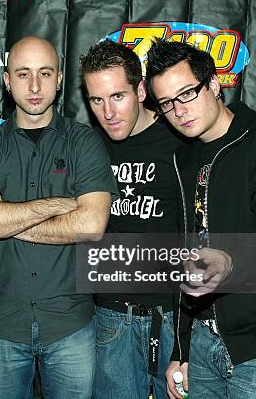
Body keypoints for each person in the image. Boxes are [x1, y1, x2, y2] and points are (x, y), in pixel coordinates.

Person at [145, 39, 256, 399]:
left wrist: (229, 261)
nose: (179, 110)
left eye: (187, 93)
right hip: (205, 342)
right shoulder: (185, 159)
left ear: (213, 84)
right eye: (166, 103)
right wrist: (181, 350)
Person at [0, 36, 117, 399]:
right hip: (2, 326)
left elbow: (91, 225)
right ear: (7, 80)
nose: (34, 85)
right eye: (23, 73)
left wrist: (5, 215)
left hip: (70, 324)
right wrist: (61, 204)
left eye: (44, 73)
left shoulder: (84, 142)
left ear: (60, 79)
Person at [80, 40, 184, 399]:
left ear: (140, 90)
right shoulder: (90, 146)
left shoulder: (180, 138)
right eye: (96, 100)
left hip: (173, 317)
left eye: (117, 97)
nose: (107, 112)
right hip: (110, 317)